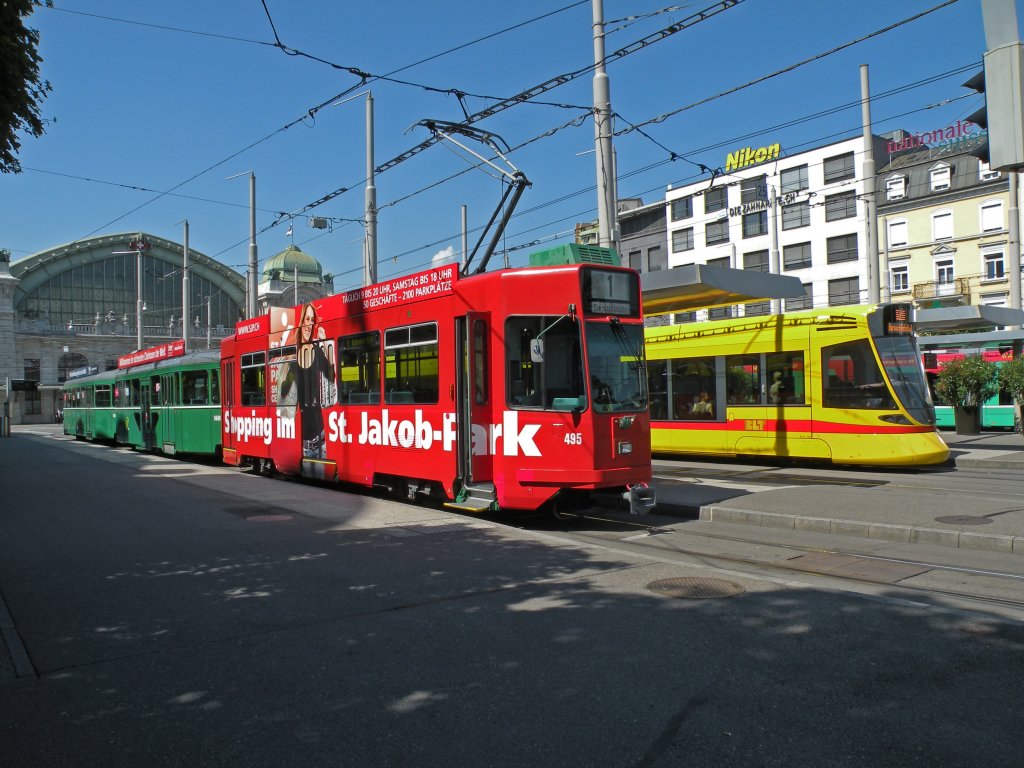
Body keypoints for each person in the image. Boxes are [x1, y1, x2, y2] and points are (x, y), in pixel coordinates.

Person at [295, 303, 335, 464]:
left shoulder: (317, 351)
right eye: (307, 319)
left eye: (312, 320)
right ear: (301, 321)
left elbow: (331, 374)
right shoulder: (292, 353)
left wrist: (325, 342)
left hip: (321, 440)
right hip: (303, 444)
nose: (310, 324)